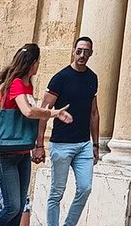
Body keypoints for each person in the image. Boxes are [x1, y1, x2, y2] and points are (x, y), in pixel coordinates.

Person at [0, 44, 71, 226]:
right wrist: (54, 113)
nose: (39, 64)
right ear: (33, 63)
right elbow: (28, 111)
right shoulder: (16, 83)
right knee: (12, 207)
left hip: (22, 152)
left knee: (18, 210)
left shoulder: (28, 85)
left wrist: (37, 145)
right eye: (38, 61)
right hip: (6, 154)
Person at [39, 37, 100, 226]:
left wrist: (96, 144)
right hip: (61, 144)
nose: (82, 55)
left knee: (85, 188)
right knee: (57, 192)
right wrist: (39, 144)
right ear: (73, 51)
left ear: (91, 54)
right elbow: (43, 112)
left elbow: (94, 113)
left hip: (83, 145)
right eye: (79, 51)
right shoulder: (60, 78)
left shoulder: (92, 78)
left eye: (86, 52)